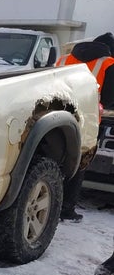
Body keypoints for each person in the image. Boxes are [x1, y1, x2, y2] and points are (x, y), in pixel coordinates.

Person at [55, 32, 114, 221]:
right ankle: (66, 209)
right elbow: (109, 98)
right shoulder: (108, 63)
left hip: (56, 115)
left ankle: (49, 202)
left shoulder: (64, 59)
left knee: (53, 160)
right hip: (87, 120)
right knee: (79, 162)